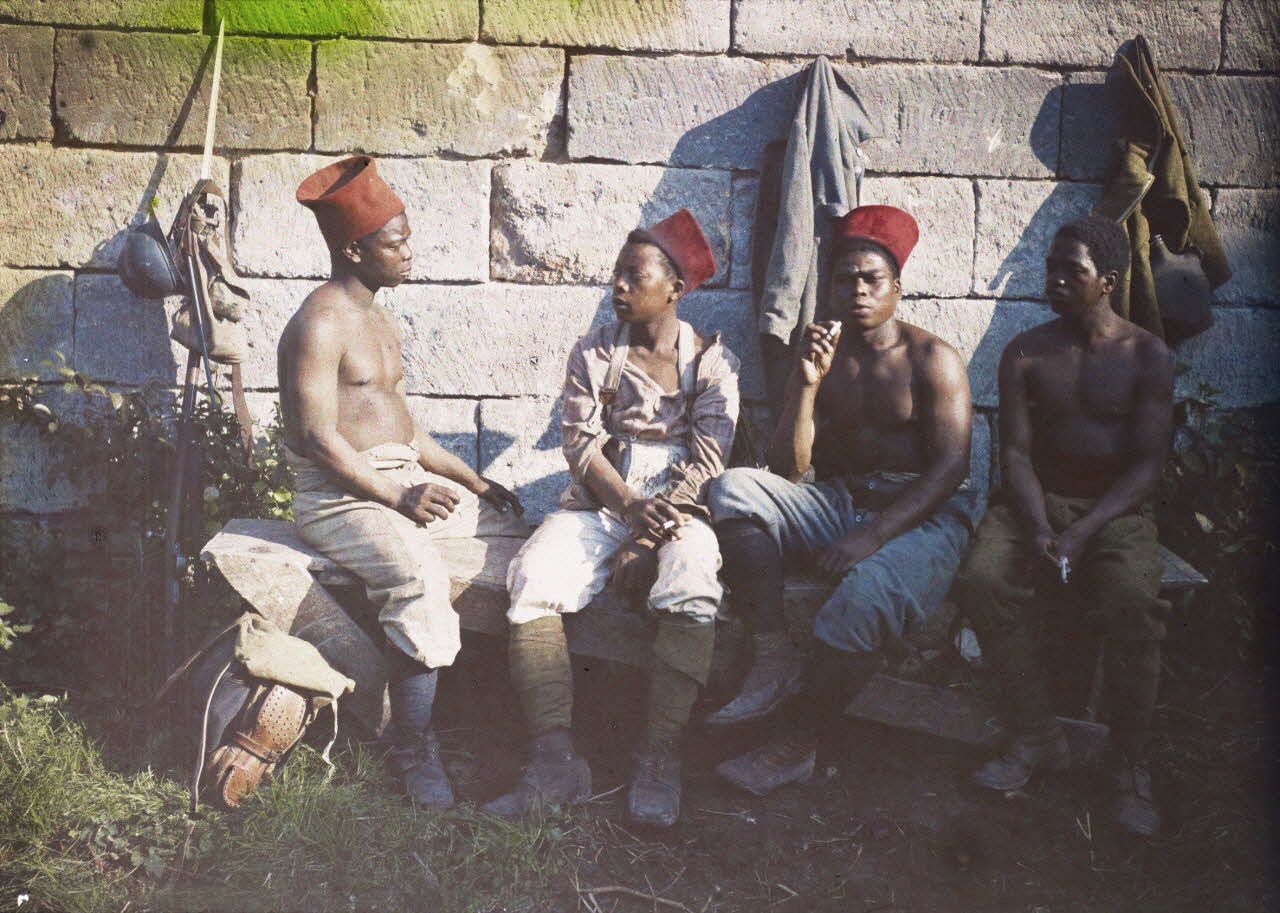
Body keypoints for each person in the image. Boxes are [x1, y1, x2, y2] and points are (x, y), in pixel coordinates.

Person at [279, 156, 528, 808]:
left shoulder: (379, 317)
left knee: (522, 536)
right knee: (418, 575)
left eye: (407, 239)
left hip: (398, 480)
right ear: (355, 249)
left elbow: (405, 434)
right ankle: (412, 747)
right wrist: (397, 497)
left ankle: (518, 722)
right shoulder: (320, 322)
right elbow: (317, 438)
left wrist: (472, 481)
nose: (409, 254)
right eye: (396, 244)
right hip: (338, 496)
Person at [706, 205, 978, 795]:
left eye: (870, 279)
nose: (856, 291)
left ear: (896, 290)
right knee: (731, 488)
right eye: (844, 280)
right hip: (838, 500)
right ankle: (772, 650)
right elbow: (787, 469)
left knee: (862, 598)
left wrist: (872, 537)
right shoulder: (826, 356)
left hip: (922, 514)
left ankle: (796, 746)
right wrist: (805, 384)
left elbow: (952, 468)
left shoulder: (933, 359)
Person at [483, 210, 740, 828]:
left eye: (634, 275)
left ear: (675, 288)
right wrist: (626, 509)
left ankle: (659, 753)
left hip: (681, 511)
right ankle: (554, 760)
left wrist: (648, 536)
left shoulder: (712, 365)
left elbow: (708, 459)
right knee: (535, 576)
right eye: (616, 275)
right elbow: (580, 444)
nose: (617, 287)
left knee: (692, 581)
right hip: (605, 502)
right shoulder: (596, 352)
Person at [954, 215, 1174, 837]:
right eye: (1050, 267)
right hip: (1033, 500)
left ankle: (1130, 762)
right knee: (982, 579)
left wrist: (1083, 531)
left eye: (1069, 271)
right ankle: (1036, 735)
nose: (1053, 280)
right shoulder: (1026, 351)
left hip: (1116, 509)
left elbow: (1146, 466)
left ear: (1107, 280)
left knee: (1135, 601)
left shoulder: (1146, 355)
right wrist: (1041, 525)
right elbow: (1016, 454)